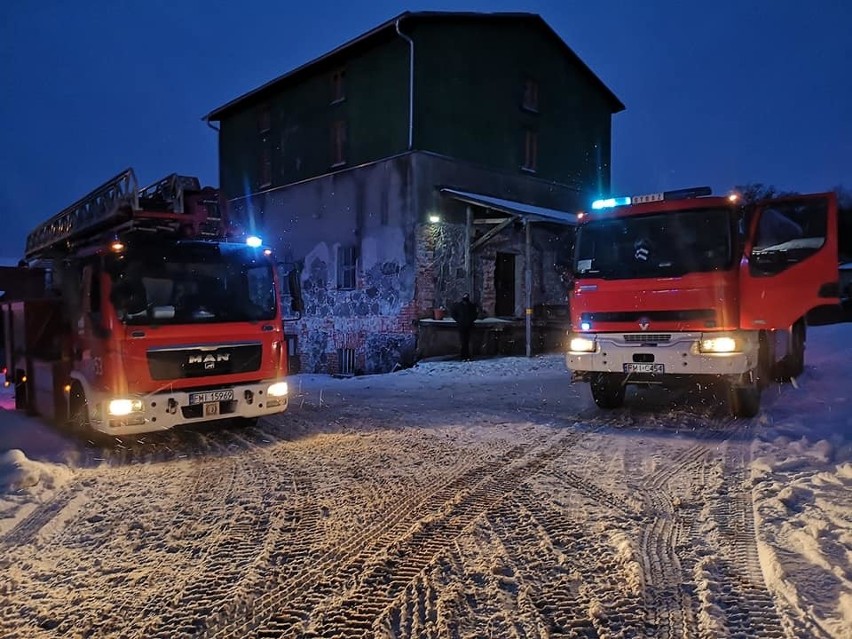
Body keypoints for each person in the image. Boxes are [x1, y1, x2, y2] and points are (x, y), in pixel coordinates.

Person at [452, 293, 478, 361]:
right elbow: (453, 313)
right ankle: (463, 356)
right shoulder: (459, 306)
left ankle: (467, 356)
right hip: (461, 325)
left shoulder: (471, 306)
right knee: (463, 341)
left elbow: (475, 314)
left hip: (468, 325)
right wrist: (458, 320)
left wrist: (471, 320)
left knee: (467, 341)